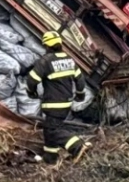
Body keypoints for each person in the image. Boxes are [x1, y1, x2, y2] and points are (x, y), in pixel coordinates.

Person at [25, 31, 89, 164]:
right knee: (49, 129)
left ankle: (77, 146)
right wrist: (80, 94)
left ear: (47, 46)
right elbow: (80, 79)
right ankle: (50, 158)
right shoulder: (68, 59)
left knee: (53, 131)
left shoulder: (46, 61)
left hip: (53, 104)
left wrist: (31, 92)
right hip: (66, 103)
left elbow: (32, 80)